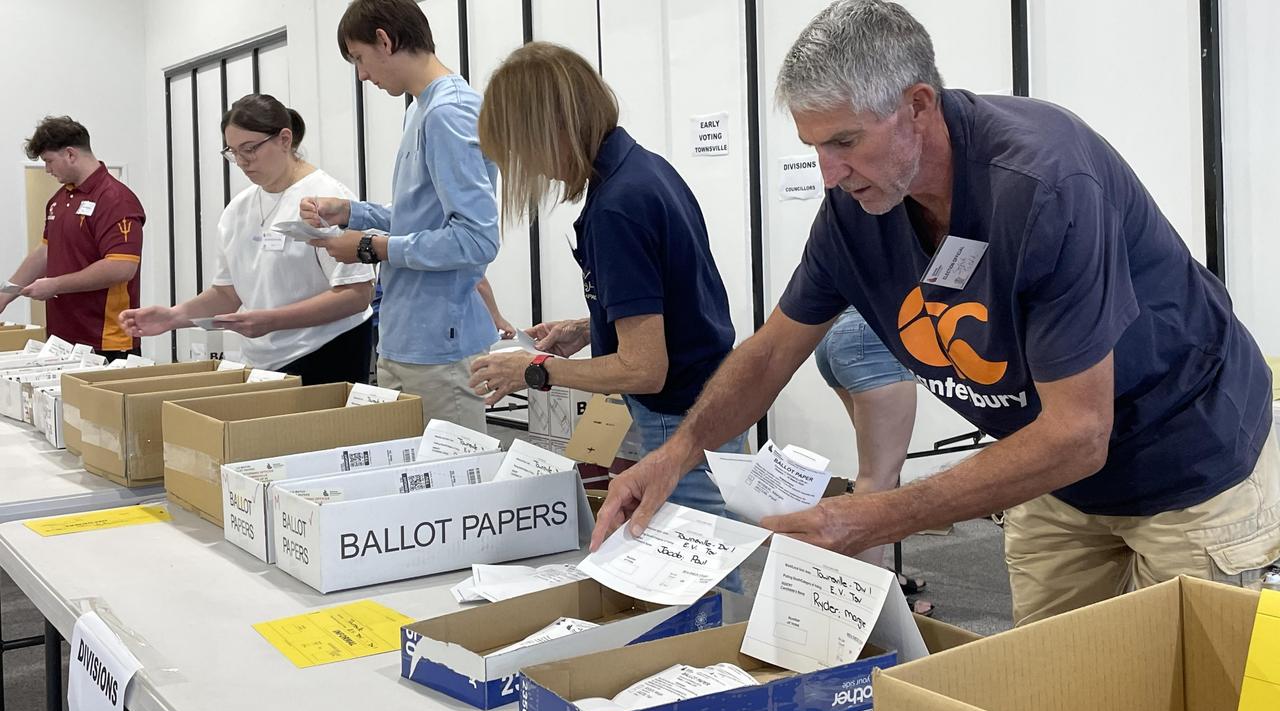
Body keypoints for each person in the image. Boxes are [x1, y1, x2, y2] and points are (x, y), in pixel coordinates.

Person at [592, 0, 1277, 626]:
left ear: (918, 106)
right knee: (1052, 679)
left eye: (845, 142)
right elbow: (773, 351)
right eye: (814, 148)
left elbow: (1081, 431)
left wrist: (874, 514)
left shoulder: (1042, 185)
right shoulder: (857, 211)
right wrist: (677, 455)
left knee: (1189, 687)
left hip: (1188, 460)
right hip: (1056, 477)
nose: (829, 174)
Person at [467, 42, 745, 531]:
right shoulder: (645, 170)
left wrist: (535, 370)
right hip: (710, 401)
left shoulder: (617, 206)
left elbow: (645, 369)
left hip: (677, 415)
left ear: (548, 129)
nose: (529, 168)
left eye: (522, 149)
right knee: (707, 554)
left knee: (695, 572)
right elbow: (671, 303)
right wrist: (589, 327)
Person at [302, 0, 498, 431]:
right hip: (404, 340)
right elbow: (421, 217)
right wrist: (352, 213)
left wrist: (372, 247)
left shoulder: (448, 112)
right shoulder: (419, 109)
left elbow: (476, 239)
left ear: (384, 41)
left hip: (439, 351)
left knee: (453, 493)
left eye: (359, 58)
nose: (362, 75)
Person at [120, 95, 373, 383]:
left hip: (329, 353)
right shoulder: (238, 210)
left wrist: (272, 320)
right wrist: (173, 317)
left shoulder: (329, 199)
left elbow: (356, 293)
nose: (241, 162)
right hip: (263, 363)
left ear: (284, 139)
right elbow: (228, 294)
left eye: (250, 149)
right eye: (233, 152)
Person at [814, 306, 931, 614]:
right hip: (876, 336)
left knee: (876, 475)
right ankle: (867, 604)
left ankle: (876, 578)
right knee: (877, 480)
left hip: (835, 333)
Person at [2, 116, 145, 359]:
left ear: (70, 154)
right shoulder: (59, 200)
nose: (47, 169)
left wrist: (55, 285)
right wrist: (5, 294)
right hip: (61, 339)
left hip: (105, 341)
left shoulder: (116, 199)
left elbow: (122, 267)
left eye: (49, 161)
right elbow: (45, 252)